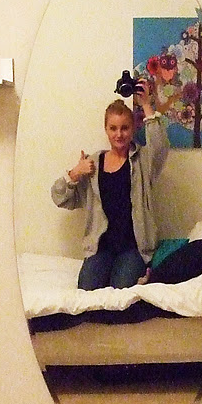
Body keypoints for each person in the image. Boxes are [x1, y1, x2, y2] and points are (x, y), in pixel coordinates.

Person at [51, 80, 169, 289]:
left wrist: (146, 105)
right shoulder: (93, 164)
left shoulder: (142, 161)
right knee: (87, 289)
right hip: (101, 248)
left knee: (121, 292)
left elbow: (160, 148)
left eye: (125, 128)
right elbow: (59, 198)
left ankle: (146, 271)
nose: (119, 134)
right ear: (106, 130)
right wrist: (75, 173)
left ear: (133, 129)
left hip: (134, 248)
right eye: (113, 128)